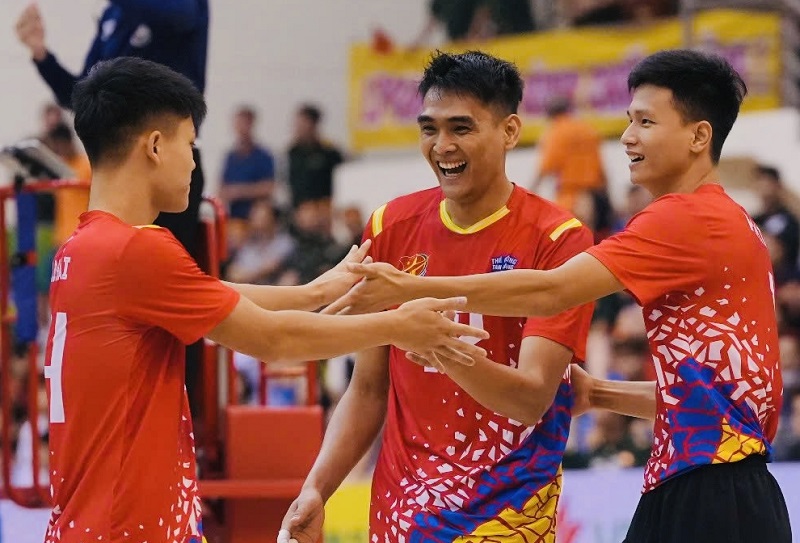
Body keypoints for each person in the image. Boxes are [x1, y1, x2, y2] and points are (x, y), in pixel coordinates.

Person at [327, 49, 791, 543]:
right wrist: (600, 393)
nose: (628, 137)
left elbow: (551, 290)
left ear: (700, 136)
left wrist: (411, 288)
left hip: (709, 495)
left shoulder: (681, 219)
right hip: (717, 487)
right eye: (629, 120)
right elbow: (717, 405)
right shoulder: (725, 220)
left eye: (646, 122)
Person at [42, 57, 489, 543]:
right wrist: (398, 326)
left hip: (96, 523)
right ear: (153, 145)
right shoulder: (139, 248)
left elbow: (212, 294)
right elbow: (275, 342)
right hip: (126, 529)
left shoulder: (82, 250)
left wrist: (317, 291)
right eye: (189, 145)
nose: (194, 162)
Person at [280, 51, 594, 543]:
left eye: (461, 128)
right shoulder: (388, 227)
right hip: (403, 517)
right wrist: (318, 488)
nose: (442, 146)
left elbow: (531, 398)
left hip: (507, 518)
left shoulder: (559, 239)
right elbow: (367, 389)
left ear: (510, 131)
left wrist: (436, 346)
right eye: (429, 129)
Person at [15, 0, 208, 256]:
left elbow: (180, 17)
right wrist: (41, 55)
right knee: (117, 268)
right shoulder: (114, 14)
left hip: (165, 158)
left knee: (166, 271)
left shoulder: (179, 7)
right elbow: (83, 93)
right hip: (116, 167)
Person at [531, 95, 606, 211]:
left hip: (569, 196)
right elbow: (601, 168)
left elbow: (545, 167)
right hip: (592, 196)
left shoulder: (555, 132)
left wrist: (531, 192)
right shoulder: (588, 129)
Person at [219, 106, 275, 228]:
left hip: (255, 210)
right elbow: (221, 189)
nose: (241, 128)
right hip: (234, 212)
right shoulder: (230, 157)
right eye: (238, 124)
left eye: (244, 123)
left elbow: (268, 187)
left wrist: (239, 191)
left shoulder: (263, 156)